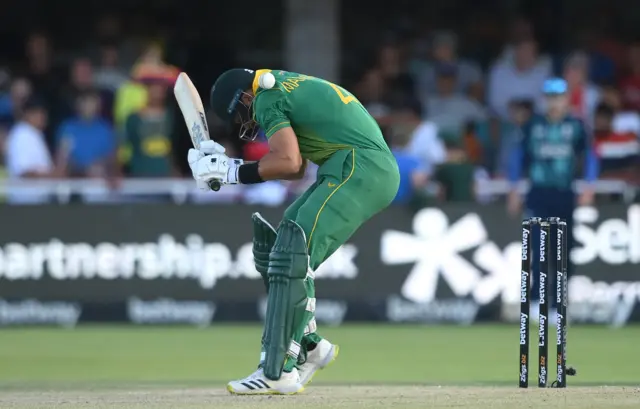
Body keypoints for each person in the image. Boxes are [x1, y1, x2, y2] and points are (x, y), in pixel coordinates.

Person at [190, 69, 400, 395]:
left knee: (294, 251)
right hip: (356, 167)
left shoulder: (267, 96)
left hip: (360, 168)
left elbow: (287, 162)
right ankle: (311, 347)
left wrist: (230, 172)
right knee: (283, 242)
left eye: (240, 114)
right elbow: (297, 165)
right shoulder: (283, 85)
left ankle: (278, 372)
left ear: (245, 97)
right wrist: (229, 166)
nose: (247, 122)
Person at [507, 78, 599, 320]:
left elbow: (590, 155)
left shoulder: (577, 125)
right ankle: (537, 302)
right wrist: (515, 188)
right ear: (544, 99)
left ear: (567, 99)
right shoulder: (533, 125)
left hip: (564, 193)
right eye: (550, 97)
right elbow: (518, 156)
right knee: (537, 249)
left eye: (559, 97)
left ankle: (559, 305)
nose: (554, 102)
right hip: (538, 193)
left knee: (563, 250)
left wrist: (589, 185)